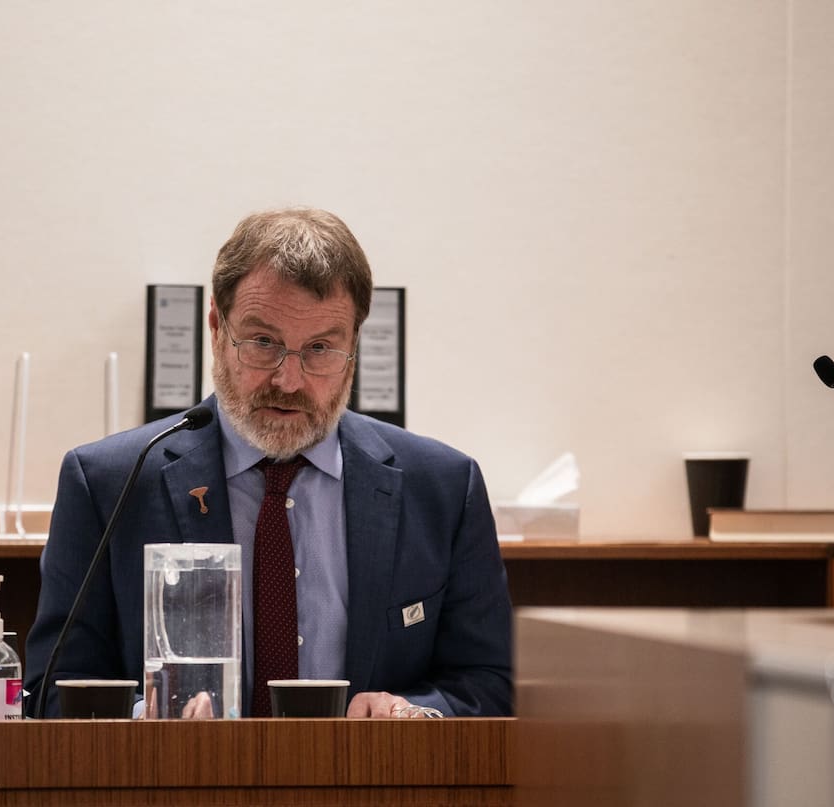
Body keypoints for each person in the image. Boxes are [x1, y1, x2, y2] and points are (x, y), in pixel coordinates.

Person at [25, 207, 512, 718]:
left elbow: (489, 685)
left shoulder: (442, 488)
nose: (289, 380)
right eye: (263, 343)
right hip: (177, 794)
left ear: (354, 346)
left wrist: (413, 714)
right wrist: (148, 719)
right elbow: (52, 690)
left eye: (321, 349)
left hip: (370, 793)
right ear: (216, 327)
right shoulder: (109, 484)